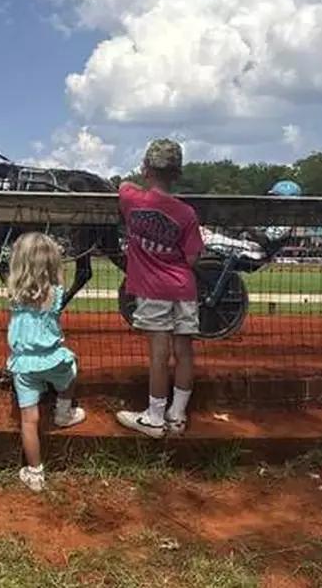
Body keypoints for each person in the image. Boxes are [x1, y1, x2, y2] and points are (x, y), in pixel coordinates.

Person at [115, 139, 204, 438]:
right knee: (184, 352)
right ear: (177, 175)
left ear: (146, 169)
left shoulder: (132, 200)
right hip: (183, 287)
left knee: (158, 353)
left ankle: (154, 418)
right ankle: (177, 416)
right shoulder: (186, 214)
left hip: (152, 289)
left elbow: (124, 185)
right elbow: (192, 257)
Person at [5, 231, 87, 491]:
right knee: (71, 368)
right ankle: (63, 411)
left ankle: (35, 472)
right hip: (53, 361)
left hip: (25, 365)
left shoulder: (14, 294)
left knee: (29, 420)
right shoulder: (56, 293)